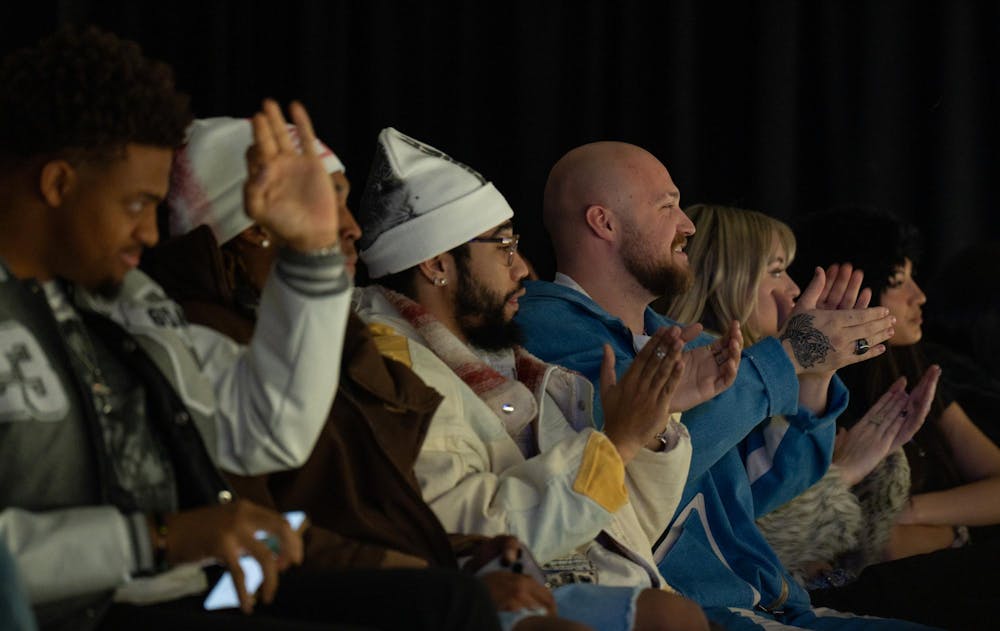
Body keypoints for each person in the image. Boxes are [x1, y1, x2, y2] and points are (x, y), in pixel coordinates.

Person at [0, 26, 498, 631]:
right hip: (84, 610)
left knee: (451, 606)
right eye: (134, 204)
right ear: (57, 184)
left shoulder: (128, 305)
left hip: (179, 592)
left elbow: (266, 429)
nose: (151, 235)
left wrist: (311, 256)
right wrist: (155, 538)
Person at [145, 115, 590, 631]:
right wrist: (431, 575)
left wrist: (466, 551)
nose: (350, 227)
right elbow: (258, 533)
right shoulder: (209, 344)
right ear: (254, 230)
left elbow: (376, 508)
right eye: (323, 199)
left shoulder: (335, 339)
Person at [515, 142, 934, 630]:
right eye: (667, 206)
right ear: (603, 223)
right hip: (695, 611)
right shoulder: (544, 329)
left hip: (775, 605)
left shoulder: (682, 339)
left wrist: (815, 375)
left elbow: (764, 491)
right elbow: (634, 463)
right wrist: (790, 356)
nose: (686, 225)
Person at [353, 127, 712, 631]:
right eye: (502, 246)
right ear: (437, 264)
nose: (522, 267)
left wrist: (649, 427)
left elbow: (624, 539)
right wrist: (616, 442)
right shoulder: (392, 370)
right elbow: (461, 526)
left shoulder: (507, 366)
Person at [788, 206, 1000, 628]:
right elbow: (824, 551)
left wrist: (910, 513)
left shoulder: (916, 369)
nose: (919, 296)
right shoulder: (812, 390)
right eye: (898, 283)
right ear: (859, 292)